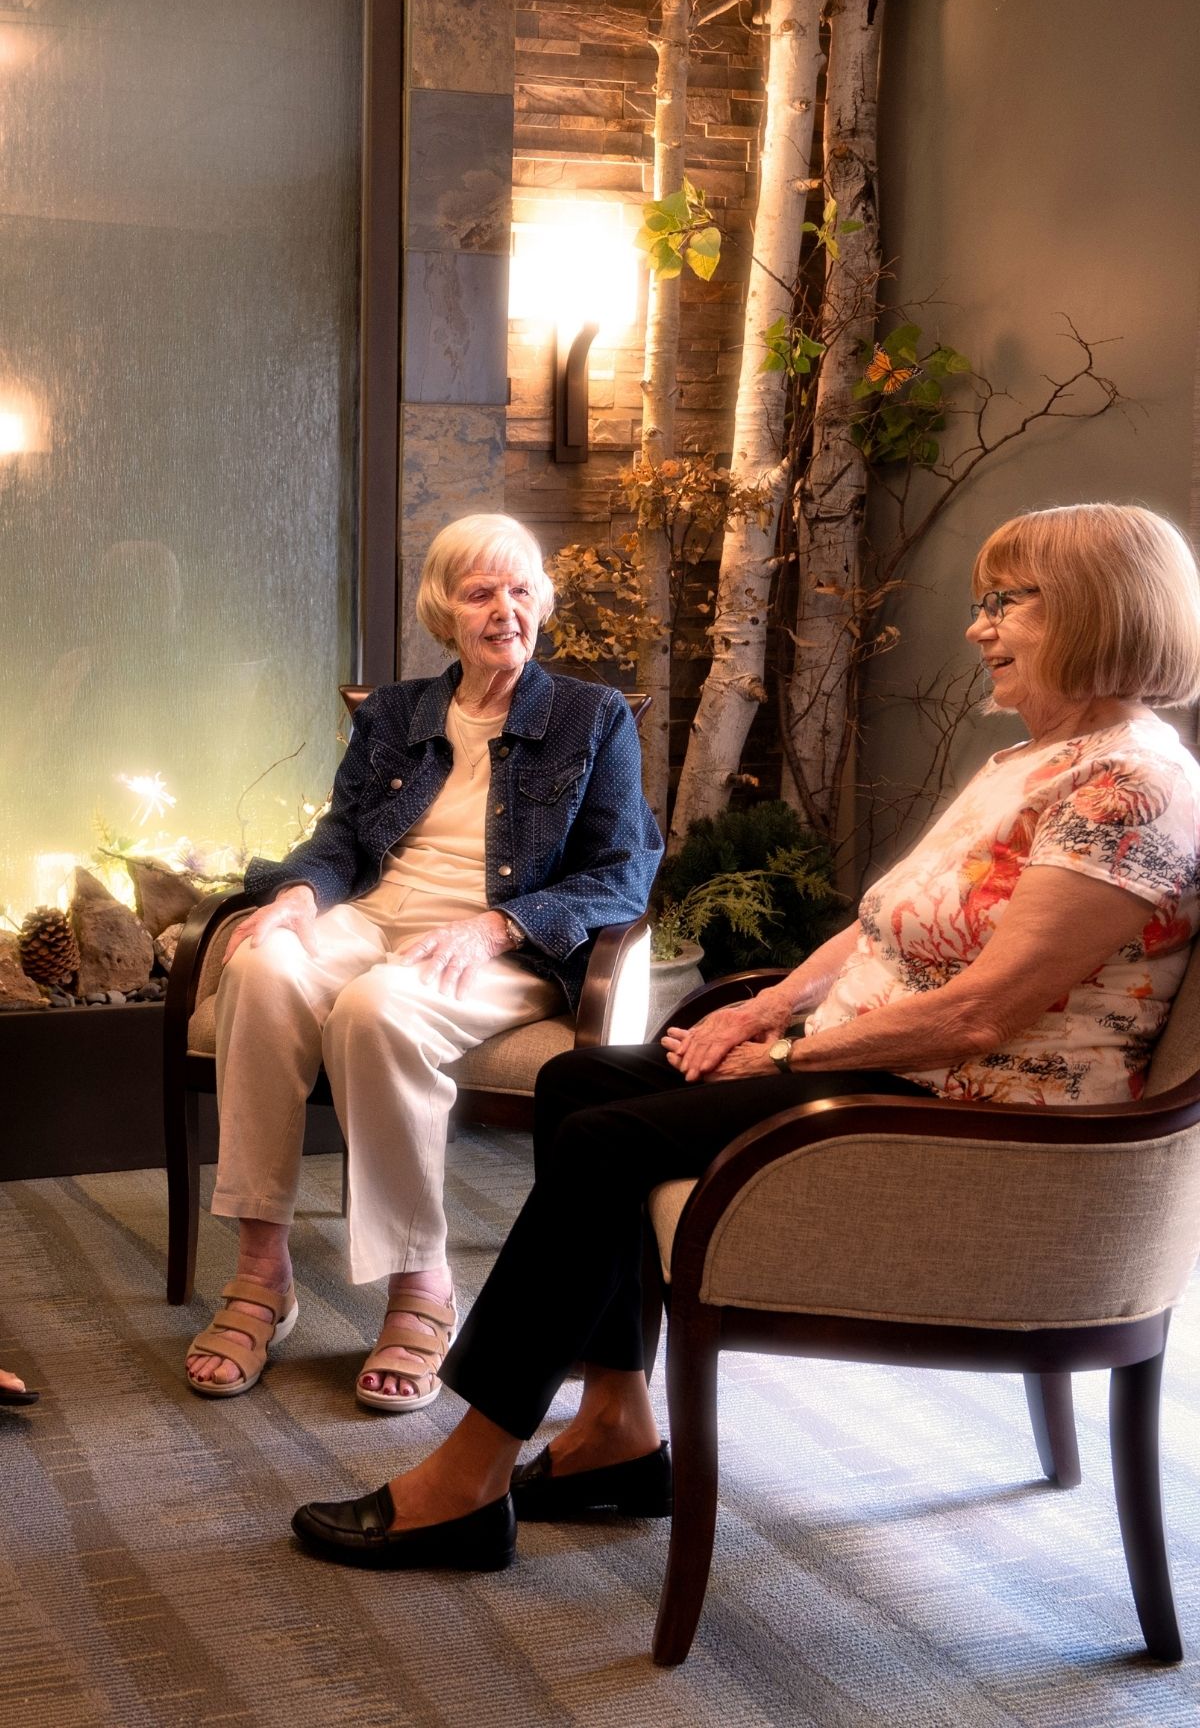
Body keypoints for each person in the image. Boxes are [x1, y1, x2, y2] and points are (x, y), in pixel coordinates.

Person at [289, 501, 1200, 1568]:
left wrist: (781, 1055)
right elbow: (879, 929)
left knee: (604, 1141)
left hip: (974, 1116)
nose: (979, 626)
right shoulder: (1033, 763)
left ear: (1096, 610)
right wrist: (763, 1007)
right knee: (582, 1084)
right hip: (901, 1067)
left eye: (1006, 602)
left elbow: (980, 1014)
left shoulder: (1130, 788)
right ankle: (616, 1429)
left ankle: (467, 1473)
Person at [185, 513, 661, 1409]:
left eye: (521, 591)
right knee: (259, 963)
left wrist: (498, 926)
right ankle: (262, 1270)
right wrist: (297, 897)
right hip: (377, 914)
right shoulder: (399, 713)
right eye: (481, 593)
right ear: (444, 611)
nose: (505, 611)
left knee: (376, 1008)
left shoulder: (589, 718)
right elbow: (340, 836)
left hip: (499, 938)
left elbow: (624, 871)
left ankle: (421, 1284)